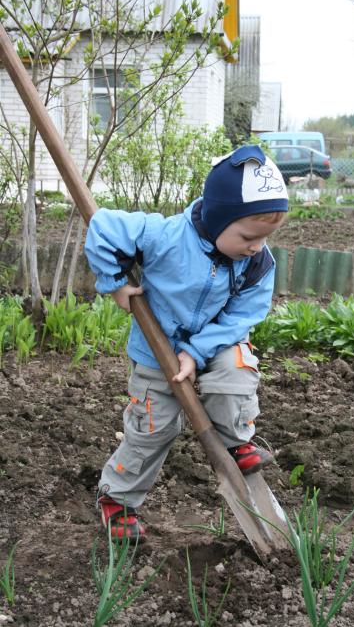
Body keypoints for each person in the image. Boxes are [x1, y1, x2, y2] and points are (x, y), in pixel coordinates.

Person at [85, 144, 289, 541]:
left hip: (215, 345)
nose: (256, 246)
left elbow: (246, 313)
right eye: (248, 236)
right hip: (155, 353)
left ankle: (236, 445)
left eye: (265, 238)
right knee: (152, 429)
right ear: (217, 219)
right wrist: (113, 284)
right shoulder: (165, 236)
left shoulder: (258, 263)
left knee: (237, 370)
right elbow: (103, 228)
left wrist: (197, 351)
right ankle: (118, 499)